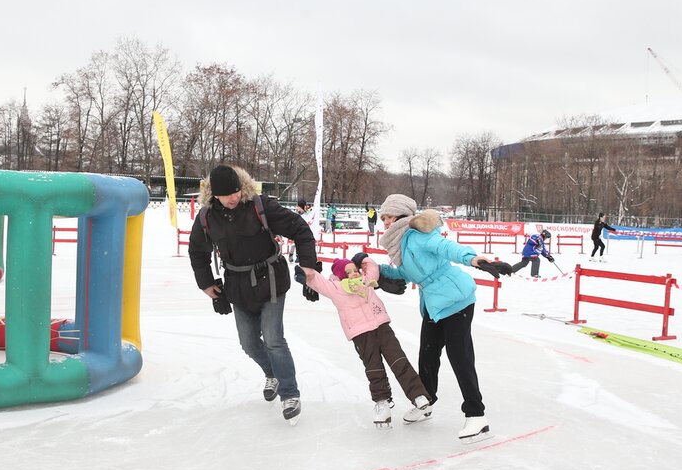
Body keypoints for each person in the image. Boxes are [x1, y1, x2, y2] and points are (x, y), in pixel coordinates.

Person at [188, 164, 317, 424]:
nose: (233, 197)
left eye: (236, 191)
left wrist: (308, 265)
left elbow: (301, 230)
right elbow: (197, 252)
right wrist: (206, 283)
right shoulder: (206, 217)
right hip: (237, 285)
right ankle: (272, 373)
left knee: (273, 339)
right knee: (248, 343)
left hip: (271, 281)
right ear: (215, 195)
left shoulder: (261, 206)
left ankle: (290, 393)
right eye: (227, 194)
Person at [376, 193, 495, 443]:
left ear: (399, 215)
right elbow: (406, 274)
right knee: (427, 355)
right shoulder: (402, 244)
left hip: (455, 299)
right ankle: (426, 401)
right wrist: (375, 271)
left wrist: (473, 258)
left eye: (387, 217)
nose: (384, 222)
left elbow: (446, 248)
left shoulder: (418, 235)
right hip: (433, 304)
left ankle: (476, 415)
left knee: (459, 356)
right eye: (383, 217)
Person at [297, 255, 431, 430]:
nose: (354, 274)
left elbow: (373, 267)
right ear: (340, 276)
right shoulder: (335, 288)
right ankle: (382, 403)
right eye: (348, 272)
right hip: (361, 334)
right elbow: (316, 280)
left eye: (355, 270)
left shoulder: (366, 281)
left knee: (399, 360)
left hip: (382, 326)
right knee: (374, 368)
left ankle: (418, 395)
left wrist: (363, 259)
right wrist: (305, 271)